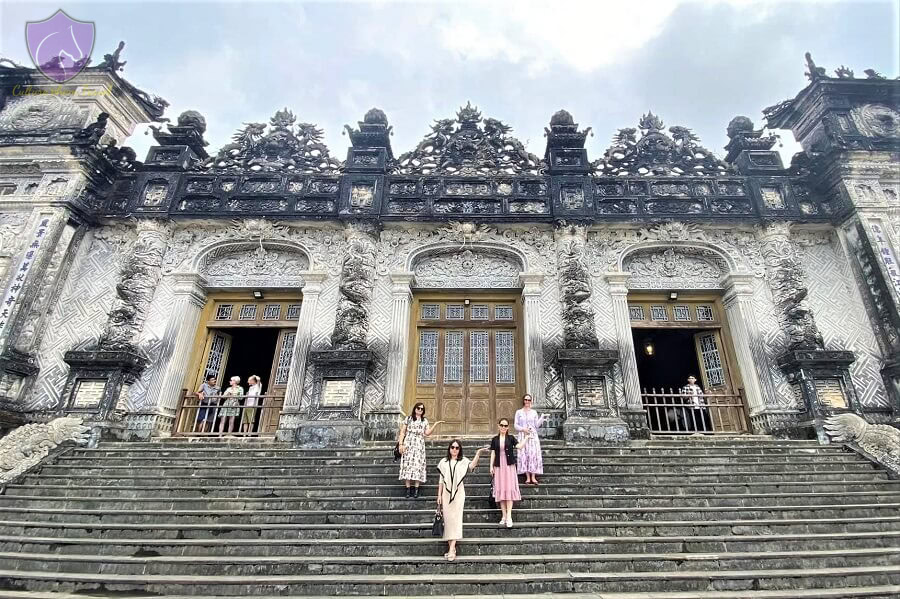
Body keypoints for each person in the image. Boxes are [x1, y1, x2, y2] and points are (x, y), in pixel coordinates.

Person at [436, 440, 487, 561]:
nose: (454, 449)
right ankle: (452, 549)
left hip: (459, 494)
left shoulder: (463, 461)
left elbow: (472, 466)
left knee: (456, 519)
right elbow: (441, 480)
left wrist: (478, 454)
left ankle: (451, 548)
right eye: (452, 447)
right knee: (448, 521)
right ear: (449, 448)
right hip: (446, 495)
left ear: (460, 449)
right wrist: (439, 495)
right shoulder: (443, 462)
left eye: (457, 448)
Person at [397, 402, 444, 498]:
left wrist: (435, 425)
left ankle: (416, 489)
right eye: (418, 408)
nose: (420, 410)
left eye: (422, 409)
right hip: (408, 443)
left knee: (418, 465)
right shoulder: (408, 419)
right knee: (407, 465)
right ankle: (408, 489)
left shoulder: (424, 421)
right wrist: (401, 444)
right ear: (415, 408)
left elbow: (427, 433)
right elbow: (402, 432)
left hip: (419, 445)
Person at [489, 417, 526, 527]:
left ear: (508, 427)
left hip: (509, 466)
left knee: (509, 490)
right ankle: (503, 515)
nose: (503, 427)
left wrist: (527, 438)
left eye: (506, 426)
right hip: (499, 467)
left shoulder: (511, 438)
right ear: (498, 426)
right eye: (502, 425)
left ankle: (509, 516)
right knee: (501, 490)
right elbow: (493, 453)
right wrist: (491, 466)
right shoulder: (494, 439)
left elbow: (519, 446)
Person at [514, 393, 546, 485]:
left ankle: (533, 476)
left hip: (532, 436)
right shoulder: (519, 412)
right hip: (523, 436)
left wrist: (542, 418)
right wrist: (523, 429)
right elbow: (516, 425)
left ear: (531, 401)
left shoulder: (534, 412)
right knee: (524, 454)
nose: (527, 401)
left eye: (529, 400)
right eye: (526, 400)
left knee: (533, 455)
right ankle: (527, 477)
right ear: (523, 401)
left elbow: (536, 425)